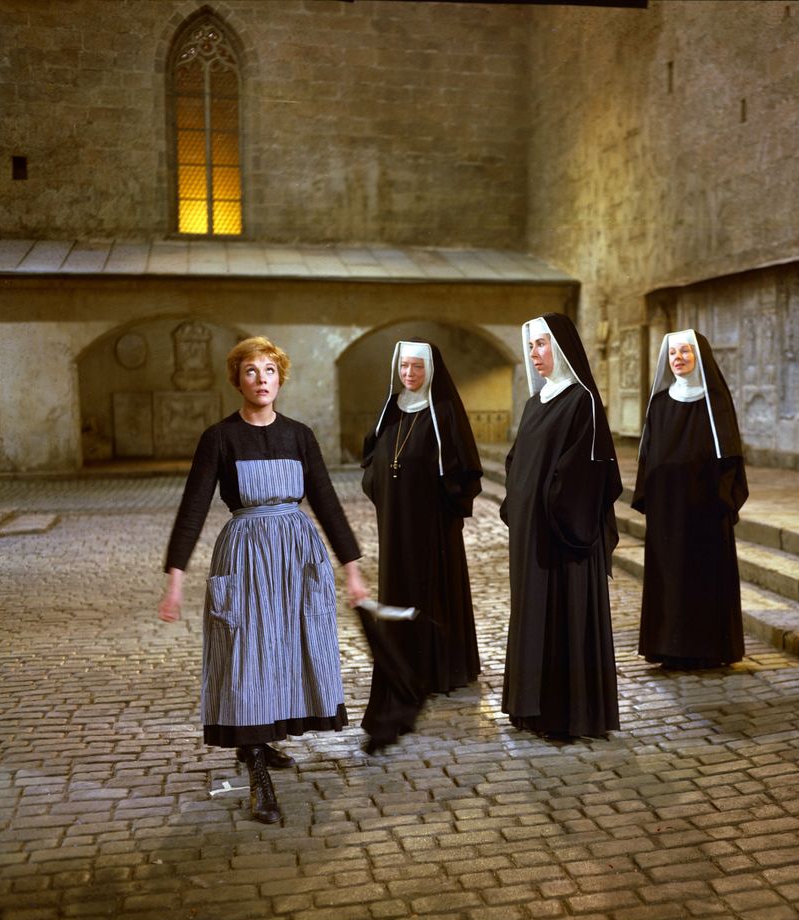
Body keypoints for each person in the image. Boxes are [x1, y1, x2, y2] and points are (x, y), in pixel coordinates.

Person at [158, 336, 367, 824]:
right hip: (246, 555)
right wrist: (174, 580)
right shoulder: (220, 438)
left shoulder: (300, 435)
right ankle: (256, 772)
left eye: (269, 371)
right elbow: (192, 510)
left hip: (296, 556)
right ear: (238, 380)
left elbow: (327, 503)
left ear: (280, 378)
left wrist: (352, 570)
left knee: (286, 649)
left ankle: (262, 740)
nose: (261, 381)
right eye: (251, 372)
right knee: (245, 653)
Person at [500, 313, 623, 738]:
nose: (534, 353)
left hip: (563, 538)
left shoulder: (581, 401)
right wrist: (517, 504)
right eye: (530, 345)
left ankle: (564, 714)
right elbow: (517, 461)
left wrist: (547, 506)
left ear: (562, 348)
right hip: (532, 535)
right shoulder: (537, 403)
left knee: (560, 617)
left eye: (542, 344)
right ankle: (531, 706)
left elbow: (586, 474)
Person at [359, 340, 482, 750]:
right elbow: (374, 453)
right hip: (395, 523)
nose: (409, 374)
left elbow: (461, 469)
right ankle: (403, 662)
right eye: (404, 366)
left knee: (433, 590)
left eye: (416, 367)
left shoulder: (442, 410)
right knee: (397, 586)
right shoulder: (391, 406)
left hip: (431, 527)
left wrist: (437, 498)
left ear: (430, 370)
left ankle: (439, 670)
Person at [632, 329, 748, 669]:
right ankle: (668, 648)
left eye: (684, 352)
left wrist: (720, 499)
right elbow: (648, 455)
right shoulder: (661, 402)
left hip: (705, 511)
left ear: (700, 357)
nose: (678, 358)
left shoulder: (714, 402)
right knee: (668, 580)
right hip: (667, 510)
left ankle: (708, 650)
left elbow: (729, 458)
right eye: (672, 353)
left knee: (702, 580)